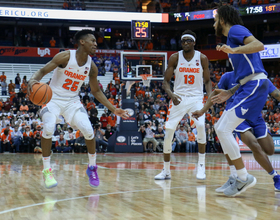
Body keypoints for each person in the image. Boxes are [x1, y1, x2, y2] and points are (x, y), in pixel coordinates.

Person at [27, 29, 129, 189]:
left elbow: (96, 91)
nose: (96, 44)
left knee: (88, 130)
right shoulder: (66, 57)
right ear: (82, 42)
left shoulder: (92, 67)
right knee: (48, 126)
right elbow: (42, 71)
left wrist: (113, 109)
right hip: (52, 99)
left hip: (72, 102)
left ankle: (92, 168)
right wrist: (33, 81)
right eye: (92, 41)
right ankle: (47, 170)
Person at [204, 5, 271, 197]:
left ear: (223, 20)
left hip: (256, 85)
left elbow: (259, 45)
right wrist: (230, 92)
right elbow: (244, 74)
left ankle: (243, 177)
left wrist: (235, 50)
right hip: (246, 85)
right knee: (220, 128)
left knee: (223, 128)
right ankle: (236, 175)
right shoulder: (230, 38)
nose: (214, 23)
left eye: (216, 20)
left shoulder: (235, 30)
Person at [192, 71, 280, 192]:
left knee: (270, 150)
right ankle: (274, 177)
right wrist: (203, 110)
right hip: (237, 117)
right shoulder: (228, 76)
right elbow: (215, 93)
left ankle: (238, 176)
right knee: (254, 145)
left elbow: (277, 94)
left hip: (256, 116)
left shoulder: (258, 77)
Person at [154, 30, 212, 180]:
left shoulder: (202, 58)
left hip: (196, 98)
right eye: (183, 41)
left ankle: (201, 166)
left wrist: (209, 97)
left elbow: (207, 81)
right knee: (168, 132)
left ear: (194, 42)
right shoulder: (175, 57)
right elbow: (165, 81)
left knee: (200, 126)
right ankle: (166, 170)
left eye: (188, 40)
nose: (185, 43)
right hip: (178, 97)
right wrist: (171, 95)